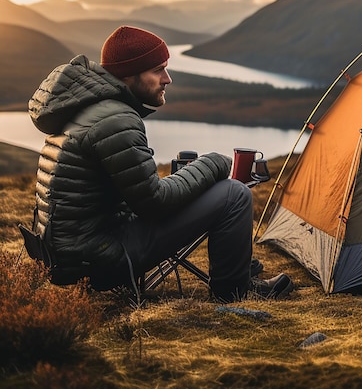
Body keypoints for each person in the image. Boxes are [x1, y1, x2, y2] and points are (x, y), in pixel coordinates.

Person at [28, 25, 293, 302]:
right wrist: (212, 164)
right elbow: (155, 203)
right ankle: (235, 291)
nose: (167, 79)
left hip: (72, 254)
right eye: (158, 70)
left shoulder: (90, 109)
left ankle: (240, 266)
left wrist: (193, 177)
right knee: (234, 195)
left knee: (207, 189)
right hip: (99, 259)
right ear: (130, 74)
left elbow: (134, 193)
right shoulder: (116, 120)